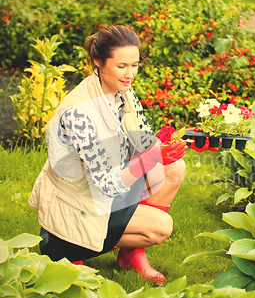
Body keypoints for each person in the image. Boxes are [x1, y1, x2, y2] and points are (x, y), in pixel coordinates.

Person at [28, 24, 187, 282]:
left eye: (134, 65)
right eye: (122, 66)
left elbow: (141, 137)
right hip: (76, 206)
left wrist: (180, 141)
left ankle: (131, 255)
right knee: (161, 227)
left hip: (103, 191)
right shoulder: (79, 111)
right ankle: (68, 253)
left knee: (174, 169)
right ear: (98, 62)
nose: (130, 74)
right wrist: (148, 159)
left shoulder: (121, 92)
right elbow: (107, 184)